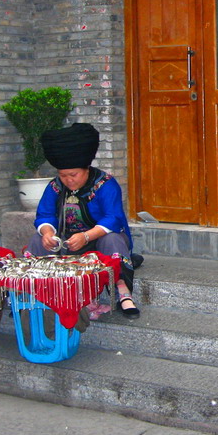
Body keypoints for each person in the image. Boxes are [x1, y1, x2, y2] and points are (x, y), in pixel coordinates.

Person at [25, 122, 140, 319]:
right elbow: (44, 215)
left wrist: (86, 236)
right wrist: (47, 233)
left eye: (73, 174)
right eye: (63, 175)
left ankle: (123, 293)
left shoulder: (105, 184)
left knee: (112, 240)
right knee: (37, 241)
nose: (68, 180)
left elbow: (113, 218)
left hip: (98, 240)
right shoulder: (55, 187)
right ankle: (36, 294)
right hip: (67, 242)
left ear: (86, 169)